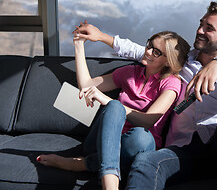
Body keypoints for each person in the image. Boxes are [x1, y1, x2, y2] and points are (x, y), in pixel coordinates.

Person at [72, 2, 217, 190]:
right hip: (183, 151)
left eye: (209, 28)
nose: (200, 31)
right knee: (146, 161)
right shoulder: (182, 61)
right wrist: (101, 36)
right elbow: (144, 52)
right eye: (200, 24)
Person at [37, 30, 191, 190]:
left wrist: (106, 100)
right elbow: (86, 85)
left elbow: (149, 120)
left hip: (135, 147)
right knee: (115, 107)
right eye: (149, 45)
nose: (148, 51)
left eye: (156, 52)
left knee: (141, 136)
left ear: (168, 61)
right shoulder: (130, 72)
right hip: (102, 141)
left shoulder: (171, 83)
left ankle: (84, 164)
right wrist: (79, 46)